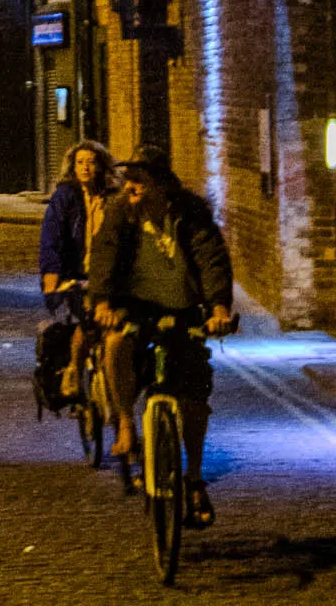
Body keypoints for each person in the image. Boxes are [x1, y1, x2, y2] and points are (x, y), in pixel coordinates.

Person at [88, 143, 234, 529]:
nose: (130, 187)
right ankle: (124, 422)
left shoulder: (191, 212)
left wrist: (218, 308)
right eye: (129, 180)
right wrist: (102, 301)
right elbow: (105, 253)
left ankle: (195, 479)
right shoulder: (122, 212)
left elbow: (211, 257)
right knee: (117, 344)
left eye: (139, 180)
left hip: (182, 306)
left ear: (161, 185)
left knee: (194, 394)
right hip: (135, 303)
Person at [39, 139, 116, 393]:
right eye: (80, 162)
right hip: (77, 274)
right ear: (72, 167)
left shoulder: (114, 198)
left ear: (102, 166)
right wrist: (53, 274)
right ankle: (74, 368)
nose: (85, 168)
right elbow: (51, 237)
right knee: (88, 319)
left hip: (109, 275)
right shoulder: (65, 197)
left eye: (91, 162)